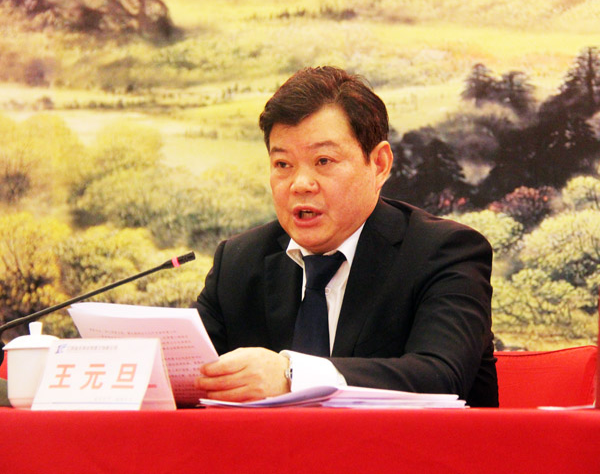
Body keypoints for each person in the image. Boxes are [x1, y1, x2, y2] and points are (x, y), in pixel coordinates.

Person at [194, 66, 498, 407]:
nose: (300, 184)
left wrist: (292, 376)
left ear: (379, 164)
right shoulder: (238, 262)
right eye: (282, 164)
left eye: (323, 160)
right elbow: (190, 375)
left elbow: (441, 377)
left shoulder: (444, 253)